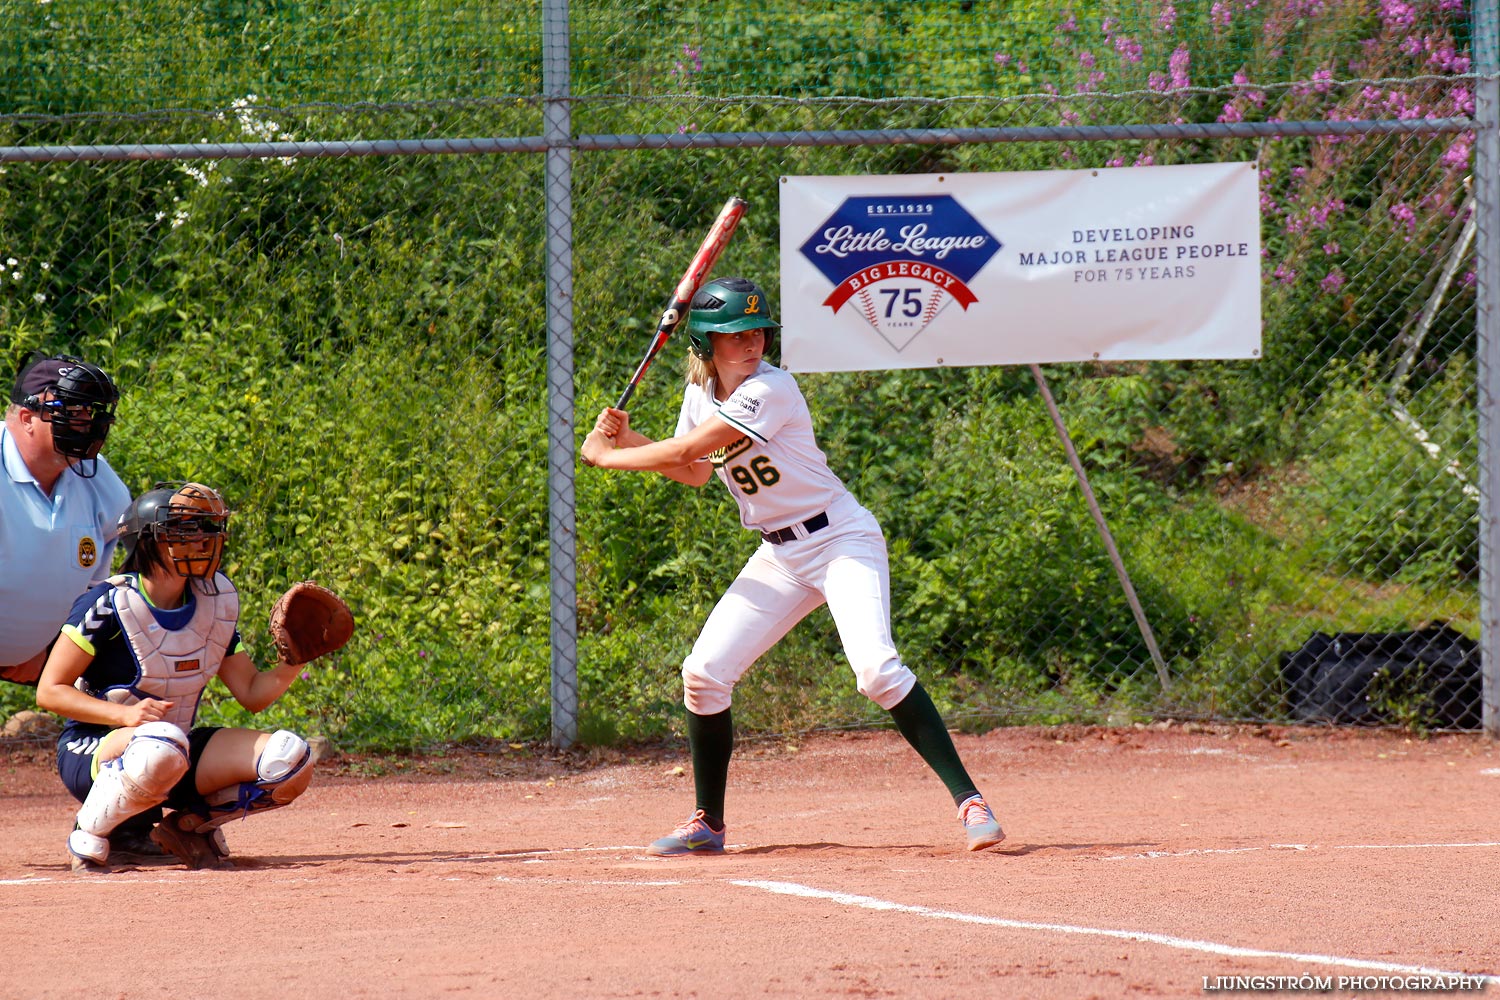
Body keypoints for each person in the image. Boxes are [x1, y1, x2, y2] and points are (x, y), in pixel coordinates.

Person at [581, 276, 1006, 855]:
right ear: (705, 345)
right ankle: (708, 822)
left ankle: (970, 801)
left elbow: (685, 454)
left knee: (876, 672)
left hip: (840, 540)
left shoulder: (771, 388)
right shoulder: (700, 397)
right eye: (734, 334)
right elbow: (696, 469)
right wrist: (633, 439)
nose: (751, 342)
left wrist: (612, 456)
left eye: (758, 331)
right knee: (703, 675)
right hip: (780, 554)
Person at [35, 481, 317, 872]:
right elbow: (50, 692)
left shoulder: (212, 602)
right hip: (95, 748)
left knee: (290, 758)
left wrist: (297, 660)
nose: (202, 541)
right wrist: (127, 717)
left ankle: (188, 826)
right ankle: (93, 833)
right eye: (185, 530)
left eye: (207, 529)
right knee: (160, 743)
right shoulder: (109, 602)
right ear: (147, 541)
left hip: (173, 748)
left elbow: (252, 693)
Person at [1, 352, 129, 686]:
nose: (84, 425)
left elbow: (89, 593)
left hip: (31, 660)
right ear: (27, 418)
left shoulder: (103, 488)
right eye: (70, 413)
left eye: (87, 413)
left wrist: (50, 648)